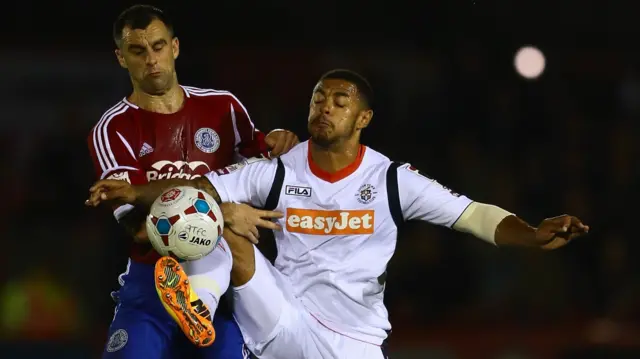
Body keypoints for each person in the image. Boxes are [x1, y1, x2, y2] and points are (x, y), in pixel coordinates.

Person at [87, 69, 590, 359]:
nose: (325, 107)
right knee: (212, 215)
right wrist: (132, 188)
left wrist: (533, 235)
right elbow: (198, 187)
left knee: (221, 212)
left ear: (363, 118)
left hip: (353, 340)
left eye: (339, 101)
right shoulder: (278, 170)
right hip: (281, 315)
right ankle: (197, 301)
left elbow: (472, 215)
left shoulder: (391, 179)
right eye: (317, 99)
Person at [87, 4, 298, 359]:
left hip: (223, 282)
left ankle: (203, 303)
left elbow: (264, 169)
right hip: (151, 283)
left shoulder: (223, 107)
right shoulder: (112, 129)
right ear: (121, 58)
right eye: (138, 51)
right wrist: (225, 212)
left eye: (158, 46)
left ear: (175, 47)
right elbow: (138, 229)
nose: (151, 59)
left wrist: (281, 141)